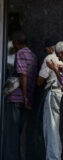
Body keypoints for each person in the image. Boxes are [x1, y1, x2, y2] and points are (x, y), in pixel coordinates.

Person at [4, 31, 38, 160]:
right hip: (28, 100)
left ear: (16, 42)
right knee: (20, 133)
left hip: (17, 99)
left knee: (12, 134)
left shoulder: (20, 53)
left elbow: (23, 75)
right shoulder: (33, 56)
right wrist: (28, 98)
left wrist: (24, 96)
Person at [37, 39, 63, 160]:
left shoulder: (50, 58)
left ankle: (53, 158)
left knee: (52, 129)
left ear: (49, 49)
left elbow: (41, 79)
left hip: (53, 92)